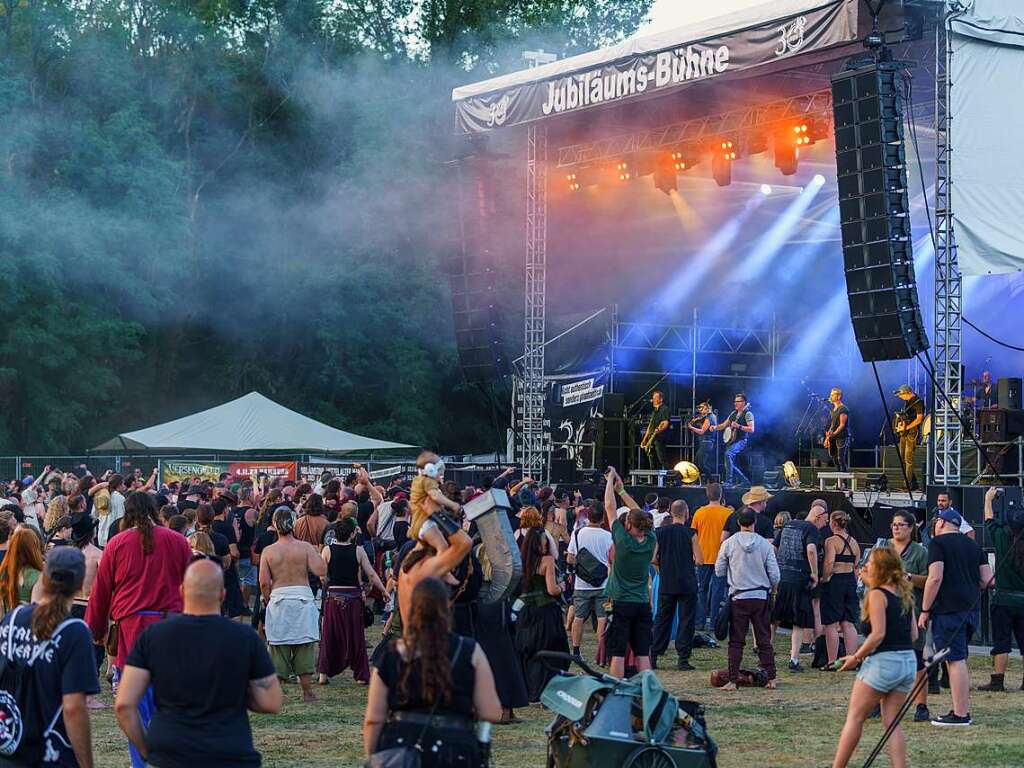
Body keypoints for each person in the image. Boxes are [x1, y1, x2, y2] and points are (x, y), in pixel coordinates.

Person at [115, 560, 282, 767]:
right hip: (230, 753)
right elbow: (271, 701)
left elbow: (124, 705)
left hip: (170, 753)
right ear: (222, 594)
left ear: (182, 591)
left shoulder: (153, 637)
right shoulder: (244, 637)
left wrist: (146, 751)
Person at [85, 492, 192, 768]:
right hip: (171, 630)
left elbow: (101, 593)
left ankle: (140, 762)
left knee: (135, 706)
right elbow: (194, 587)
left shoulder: (117, 544)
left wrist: (94, 630)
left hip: (132, 632)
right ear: (155, 512)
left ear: (127, 514)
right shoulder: (178, 541)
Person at [364, 577, 502, 767]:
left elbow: (373, 719)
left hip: (401, 748)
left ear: (412, 609)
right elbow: (492, 711)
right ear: (447, 607)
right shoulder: (470, 650)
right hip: (456, 750)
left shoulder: (391, 654)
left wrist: (376, 758)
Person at [0, 547, 99, 768]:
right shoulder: (74, 632)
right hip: (49, 754)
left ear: (44, 578)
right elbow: (73, 708)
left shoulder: (12, 618)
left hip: (9, 749)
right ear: (81, 584)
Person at [832, 546, 919, 768]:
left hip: (883, 663)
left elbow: (878, 634)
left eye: (870, 563)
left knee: (855, 717)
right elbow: (914, 634)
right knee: (892, 723)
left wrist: (856, 657)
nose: (866, 566)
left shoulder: (877, 594)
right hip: (907, 662)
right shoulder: (903, 594)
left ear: (880, 567)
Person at [919, 507, 992, 726]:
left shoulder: (938, 544)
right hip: (971, 610)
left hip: (948, 611)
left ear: (940, 523)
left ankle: (960, 714)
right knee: (957, 659)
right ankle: (958, 709)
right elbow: (988, 580)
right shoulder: (973, 545)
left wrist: (924, 609)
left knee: (954, 661)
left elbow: (934, 578)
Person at [259, 505, 327, 702]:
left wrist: (267, 597)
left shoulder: (269, 551)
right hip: (302, 598)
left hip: (279, 597)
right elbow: (321, 570)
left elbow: (264, 581)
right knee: (303, 645)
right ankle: (307, 691)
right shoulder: (305, 548)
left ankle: (276, 691)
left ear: (274, 525)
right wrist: (320, 552)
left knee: (278, 646)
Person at [714, 506, 780, 690]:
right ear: (755, 522)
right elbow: (775, 575)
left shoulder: (729, 543)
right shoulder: (765, 544)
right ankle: (771, 678)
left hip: (738, 596)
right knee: (763, 639)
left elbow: (719, 571)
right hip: (760, 596)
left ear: (737, 522)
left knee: (736, 640)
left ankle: (733, 680)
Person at [318, 517, 387, 686]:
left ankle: (323, 675)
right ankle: (361, 675)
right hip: (353, 598)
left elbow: (322, 576)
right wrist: (384, 591)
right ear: (351, 534)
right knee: (356, 636)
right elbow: (371, 574)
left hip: (333, 598)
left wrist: (329, 584)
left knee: (330, 635)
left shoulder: (327, 550)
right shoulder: (358, 551)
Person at [603, 467, 656, 679]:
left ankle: (615, 689)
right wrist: (623, 491)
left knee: (618, 653)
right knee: (643, 654)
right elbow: (642, 516)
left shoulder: (623, 542)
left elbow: (609, 507)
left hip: (621, 603)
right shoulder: (650, 540)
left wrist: (611, 481)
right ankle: (648, 691)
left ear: (629, 525)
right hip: (642, 602)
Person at [883, 509, 932, 721]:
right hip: (886, 607)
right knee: (884, 657)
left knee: (916, 658)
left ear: (911, 528)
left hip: (911, 608)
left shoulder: (920, 552)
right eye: (894, 524)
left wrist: (909, 576)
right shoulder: (885, 547)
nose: (896, 528)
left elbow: (929, 580)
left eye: (901, 524)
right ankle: (880, 701)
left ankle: (921, 704)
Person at [514, 525, 570, 702]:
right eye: (545, 544)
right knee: (550, 651)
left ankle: (530, 688)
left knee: (530, 650)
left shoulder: (521, 560)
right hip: (546, 612)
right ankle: (547, 688)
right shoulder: (547, 561)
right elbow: (552, 590)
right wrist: (562, 587)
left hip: (526, 612)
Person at [980, 487, 1024, 691]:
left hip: (1003, 598)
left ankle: (998, 680)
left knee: (1002, 641)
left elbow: (989, 520)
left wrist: (989, 499)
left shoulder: (1001, 537)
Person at [651, 500, 703, 671]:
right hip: (687, 582)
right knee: (686, 620)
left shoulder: (660, 532)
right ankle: (683, 658)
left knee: (662, 618)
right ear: (686, 512)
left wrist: (661, 567)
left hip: (667, 581)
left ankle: (654, 655)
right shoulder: (691, 533)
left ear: (671, 513)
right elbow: (700, 560)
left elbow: (652, 558)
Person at [772, 508, 819, 672]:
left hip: (783, 576)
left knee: (776, 617)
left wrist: (776, 568)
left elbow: (774, 548)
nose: (824, 524)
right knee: (798, 621)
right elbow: (811, 550)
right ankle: (794, 659)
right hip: (800, 579)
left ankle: (765, 651)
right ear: (817, 517)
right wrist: (814, 573)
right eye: (824, 520)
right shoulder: (811, 528)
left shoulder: (788, 525)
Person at [566, 504, 612, 663]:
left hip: (582, 584)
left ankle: (576, 651)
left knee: (578, 617)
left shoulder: (577, 533)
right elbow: (612, 559)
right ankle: (602, 653)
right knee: (602, 618)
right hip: (603, 584)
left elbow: (570, 558)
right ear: (602, 518)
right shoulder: (608, 536)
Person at [821, 511, 861, 666]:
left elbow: (829, 562)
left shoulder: (831, 541)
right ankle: (851, 660)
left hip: (835, 581)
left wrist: (825, 578)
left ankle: (832, 661)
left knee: (830, 623)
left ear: (833, 523)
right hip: (850, 581)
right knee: (848, 622)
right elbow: (856, 566)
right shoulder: (854, 542)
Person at [691, 482, 731, 631]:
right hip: (721, 557)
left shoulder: (699, 513)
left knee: (701, 590)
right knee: (718, 591)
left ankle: (700, 622)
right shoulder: (727, 513)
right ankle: (714, 623)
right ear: (721, 495)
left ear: (707, 495)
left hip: (702, 556)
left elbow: (693, 534)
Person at [712, 393, 754, 487]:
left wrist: (738, 426)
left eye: (738, 401)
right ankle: (745, 481)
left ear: (743, 403)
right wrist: (715, 427)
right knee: (729, 463)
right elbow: (724, 425)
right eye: (735, 401)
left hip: (741, 440)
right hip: (732, 441)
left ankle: (729, 482)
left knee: (728, 455)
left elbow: (751, 429)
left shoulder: (748, 414)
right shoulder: (733, 413)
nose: (735, 403)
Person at [0, 525, 44, 613]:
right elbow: (37, 613)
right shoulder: (37, 577)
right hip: (25, 624)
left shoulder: (3, 572)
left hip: (6, 624)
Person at [892, 385, 925, 491]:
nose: (901, 398)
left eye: (902, 395)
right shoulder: (907, 402)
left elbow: (919, 419)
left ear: (908, 393)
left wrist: (906, 427)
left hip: (912, 433)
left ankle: (907, 484)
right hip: (904, 432)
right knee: (902, 458)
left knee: (908, 459)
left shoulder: (918, 402)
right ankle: (913, 482)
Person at [686, 400, 718, 480]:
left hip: (706, 443)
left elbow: (702, 431)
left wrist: (691, 427)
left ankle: (711, 480)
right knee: (697, 463)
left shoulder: (709, 418)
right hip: (706, 443)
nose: (700, 410)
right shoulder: (711, 416)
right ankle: (699, 480)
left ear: (707, 408)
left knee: (701, 464)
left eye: (701, 408)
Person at [641, 390, 671, 470]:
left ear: (661, 399)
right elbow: (650, 427)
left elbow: (665, 423)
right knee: (651, 458)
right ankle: (653, 479)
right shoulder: (654, 411)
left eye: (655, 398)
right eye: (653, 398)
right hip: (652, 438)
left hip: (660, 438)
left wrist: (659, 430)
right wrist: (644, 440)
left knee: (661, 459)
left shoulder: (665, 409)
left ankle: (672, 478)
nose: (653, 399)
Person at [825, 387, 851, 472]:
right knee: (834, 457)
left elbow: (842, 425)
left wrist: (834, 434)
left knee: (840, 458)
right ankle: (839, 480)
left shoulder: (843, 409)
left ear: (839, 396)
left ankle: (844, 482)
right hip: (834, 437)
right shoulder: (833, 410)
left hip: (842, 437)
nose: (830, 396)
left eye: (833, 395)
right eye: (831, 395)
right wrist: (827, 438)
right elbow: (832, 425)